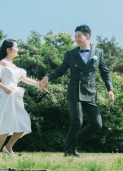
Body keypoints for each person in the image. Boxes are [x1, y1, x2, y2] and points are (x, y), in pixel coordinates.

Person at [38, 25, 114, 158]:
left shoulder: (98, 52)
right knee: (77, 122)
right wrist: (48, 77)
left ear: (87, 36)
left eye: (79, 36)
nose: (76, 39)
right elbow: (60, 70)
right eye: (75, 36)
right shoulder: (70, 54)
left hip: (90, 93)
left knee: (97, 124)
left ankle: (72, 144)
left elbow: (105, 72)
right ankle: (69, 151)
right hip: (74, 92)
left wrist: (110, 89)